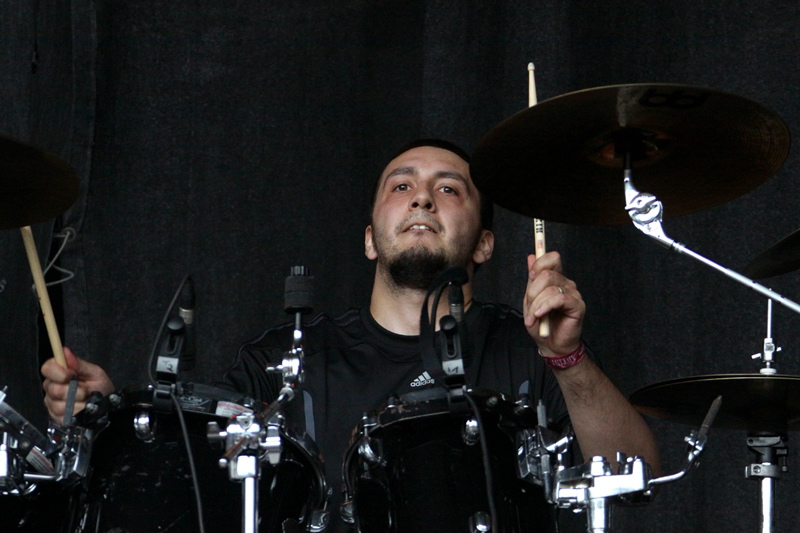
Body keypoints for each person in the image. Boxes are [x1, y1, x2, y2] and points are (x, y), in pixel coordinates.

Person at [42, 139, 660, 531]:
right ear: (370, 239)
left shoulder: (528, 348)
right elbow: (198, 476)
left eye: (449, 188)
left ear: (485, 244)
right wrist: (110, 421)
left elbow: (639, 475)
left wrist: (566, 357)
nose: (423, 199)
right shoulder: (285, 357)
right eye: (402, 186)